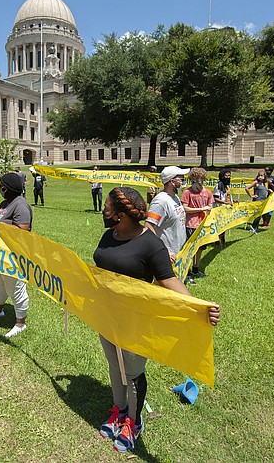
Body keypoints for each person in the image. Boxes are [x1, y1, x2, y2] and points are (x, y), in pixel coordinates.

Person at [93, 186, 220, 453]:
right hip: (107, 316)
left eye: (107, 207)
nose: (104, 211)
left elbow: (169, 280)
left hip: (135, 321)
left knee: (133, 371)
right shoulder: (108, 235)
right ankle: (119, 410)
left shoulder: (150, 243)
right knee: (115, 367)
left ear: (120, 215)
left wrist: (199, 306)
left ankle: (133, 422)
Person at [0, 172, 32, 338]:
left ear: (9, 188)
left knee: (15, 288)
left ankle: (20, 323)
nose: (0, 188)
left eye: (2, 186)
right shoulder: (5, 202)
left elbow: (23, 231)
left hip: (13, 255)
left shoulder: (21, 205)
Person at [145, 166, 189, 263]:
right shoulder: (160, 202)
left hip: (178, 253)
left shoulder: (175, 197)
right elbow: (148, 226)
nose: (184, 182)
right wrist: (165, 251)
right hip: (167, 256)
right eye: (181, 179)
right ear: (172, 181)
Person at [180, 167, 214, 283]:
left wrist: (208, 209)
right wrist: (200, 208)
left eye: (199, 178)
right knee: (190, 249)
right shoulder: (187, 192)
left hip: (203, 225)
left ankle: (196, 269)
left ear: (203, 179)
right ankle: (187, 272)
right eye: (194, 179)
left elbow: (210, 206)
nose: (196, 181)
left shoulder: (208, 192)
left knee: (200, 249)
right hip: (191, 225)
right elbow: (184, 208)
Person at [212, 168, 234, 249]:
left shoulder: (227, 186)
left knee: (224, 226)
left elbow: (227, 196)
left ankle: (223, 241)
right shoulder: (218, 186)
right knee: (219, 227)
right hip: (219, 209)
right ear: (222, 176)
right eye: (226, 176)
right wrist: (224, 203)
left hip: (226, 209)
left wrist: (232, 201)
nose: (228, 177)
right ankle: (217, 242)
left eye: (229, 176)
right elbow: (215, 198)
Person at [245, 169, 269, 234]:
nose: (260, 177)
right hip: (257, 201)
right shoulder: (256, 183)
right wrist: (251, 195)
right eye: (259, 175)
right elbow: (247, 188)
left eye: (262, 175)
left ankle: (256, 227)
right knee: (258, 215)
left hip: (263, 201)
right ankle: (253, 227)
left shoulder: (264, 183)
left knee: (260, 215)